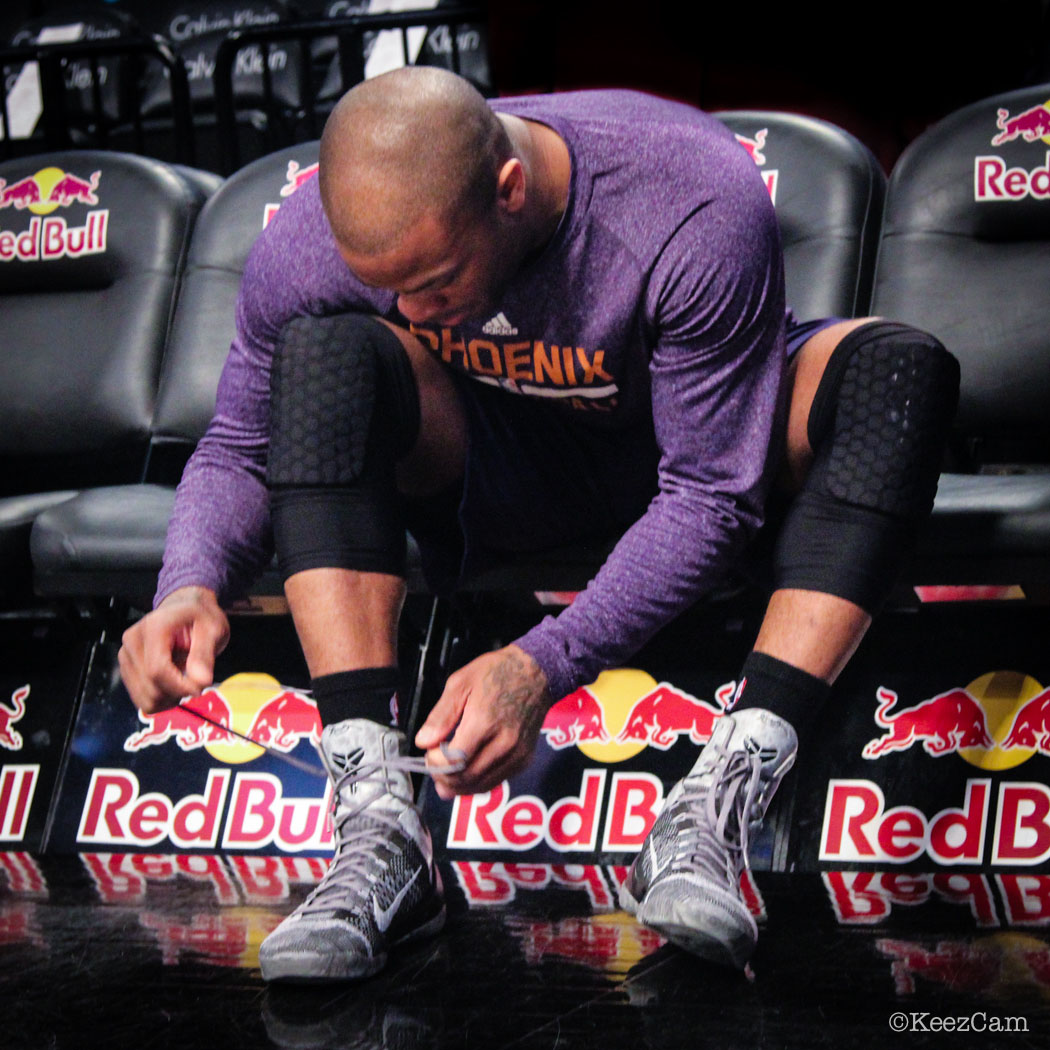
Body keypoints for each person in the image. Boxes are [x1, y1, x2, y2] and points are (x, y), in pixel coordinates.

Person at [118, 67, 959, 979]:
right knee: (326, 352)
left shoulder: (688, 196)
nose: (411, 309)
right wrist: (188, 582)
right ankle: (382, 835)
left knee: (899, 370)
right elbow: (239, 441)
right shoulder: (316, 239)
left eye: (435, 281)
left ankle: (713, 806)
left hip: (689, 435)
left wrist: (541, 663)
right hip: (491, 458)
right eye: (386, 287)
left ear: (509, 191)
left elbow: (712, 494)